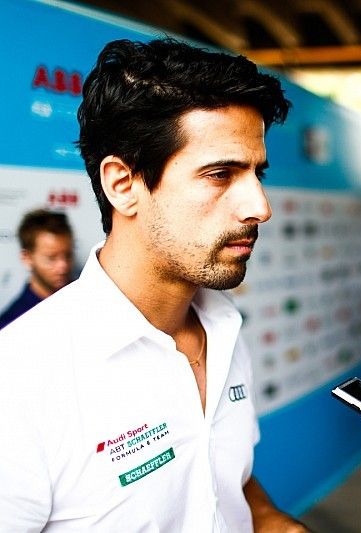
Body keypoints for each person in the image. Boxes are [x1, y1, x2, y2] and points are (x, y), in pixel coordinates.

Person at [0, 38, 307, 531]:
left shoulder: (224, 328)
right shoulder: (19, 381)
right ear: (123, 185)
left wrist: (272, 520)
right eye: (220, 174)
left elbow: (216, 473)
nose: (260, 207)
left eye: (257, 173)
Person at [0, 208, 74, 330]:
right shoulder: (10, 326)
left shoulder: (87, 304)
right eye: (51, 258)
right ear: (27, 258)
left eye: (68, 255)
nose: (63, 265)